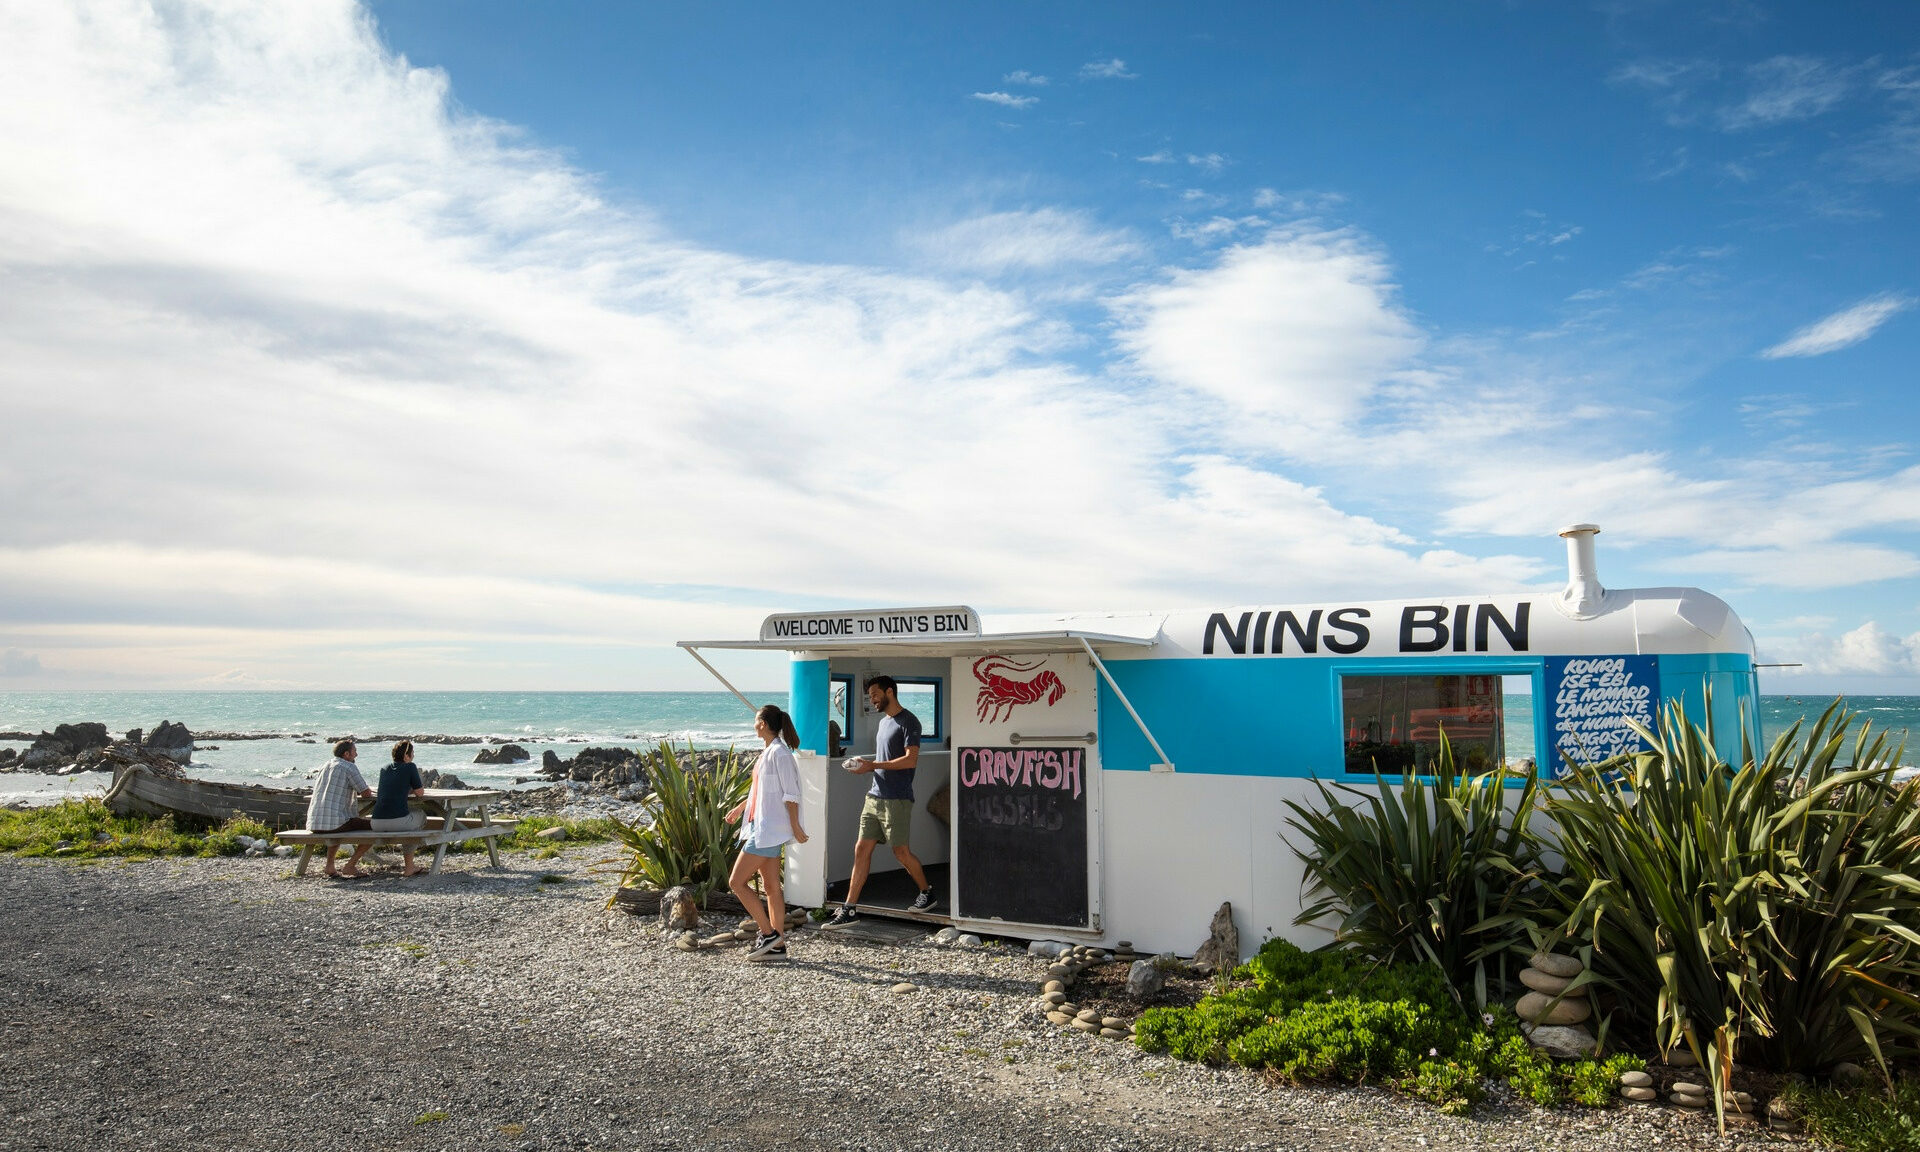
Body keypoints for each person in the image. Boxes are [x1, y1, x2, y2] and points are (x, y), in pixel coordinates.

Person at [827, 675, 935, 924]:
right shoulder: (884, 723)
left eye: (875, 694)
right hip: (874, 796)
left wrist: (871, 765)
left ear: (889, 691)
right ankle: (849, 908)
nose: (872, 700)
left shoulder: (909, 722)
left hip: (897, 798)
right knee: (861, 849)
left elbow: (911, 760)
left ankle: (927, 893)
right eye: (870, 696)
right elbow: (882, 759)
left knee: (901, 852)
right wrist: (862, 765)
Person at [725, 704, 808, 961]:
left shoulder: (780, 754)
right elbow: (759, 791)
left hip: (769, 830)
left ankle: (768, 933)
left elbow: (791, 794)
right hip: (761, 827)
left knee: (736, 882)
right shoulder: (768, 752)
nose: (753, 724)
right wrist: (740, 809)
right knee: (772, 887)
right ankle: (778, 945)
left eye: (755, 720)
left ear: (762, 723)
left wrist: (795, 827)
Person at [305, 739, 374, 879]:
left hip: (314, 822)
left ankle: (330, 865)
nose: (357, 755)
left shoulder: (325, 765)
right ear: (346, 754)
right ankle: (350, 865)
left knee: (338, 820)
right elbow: (365, 793)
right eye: (355, 751)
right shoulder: (349, 767)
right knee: (375, 827)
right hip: (335, 823)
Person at [371, 739, 428, 877]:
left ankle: (410, 864)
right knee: (421, 815)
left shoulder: (384, 768)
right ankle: (409, 867)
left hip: (375, 822)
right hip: (397, 822)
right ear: (406, 756)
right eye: (412, 753)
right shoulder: (410, 767)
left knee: (407, 816)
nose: (413, 756)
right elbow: (420, 793)